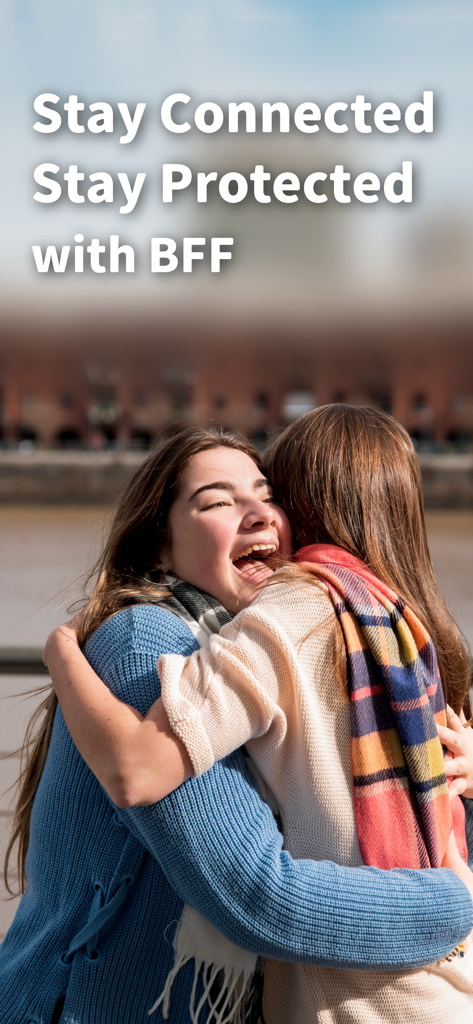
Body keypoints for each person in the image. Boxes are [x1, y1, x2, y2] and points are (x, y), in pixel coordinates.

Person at [44, 411, 473, 1024]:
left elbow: (421, 830)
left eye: (270, 497)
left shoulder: (309, 649)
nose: (258, 514)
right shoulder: (148, 641)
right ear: (159, 543)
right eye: (218, 502)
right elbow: (261, 897)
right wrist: (456, 904)